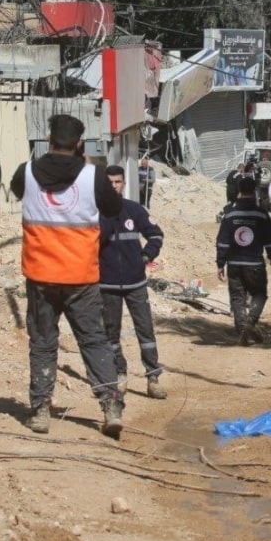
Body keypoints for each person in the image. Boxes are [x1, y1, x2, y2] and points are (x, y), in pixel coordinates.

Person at [10, 114, 124, 436]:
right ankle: (110, 405)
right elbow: (114, 208)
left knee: (43, 342)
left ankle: (41, 410)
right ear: (78, 145)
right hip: (81, 276)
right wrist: (88, 169)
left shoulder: (27, 172)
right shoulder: (93, 176)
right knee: (93, 340)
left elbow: (17, 190)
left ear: (48, 141)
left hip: (40, 274)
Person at [99, 165, 168, 400]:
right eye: (109, 182)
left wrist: (145, 257)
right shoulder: (95, 213)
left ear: (123, 184)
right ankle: (120, 374)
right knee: (111, 333)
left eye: (117, 182)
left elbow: (156, 235)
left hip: (135, 282)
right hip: (106, 284)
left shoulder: (134, 209)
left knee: (145, 330)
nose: (114, 186)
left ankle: (153, 376)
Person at [216, 177, 271, 344]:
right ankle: (250, 322)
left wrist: (220, 263)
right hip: (254, 264)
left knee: (237, 297)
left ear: (238, 192)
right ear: (254, 192)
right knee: (259, 294)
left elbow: (222, 241)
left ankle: (241, 328)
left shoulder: (230, 215)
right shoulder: (261, 214)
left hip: (234, 264)